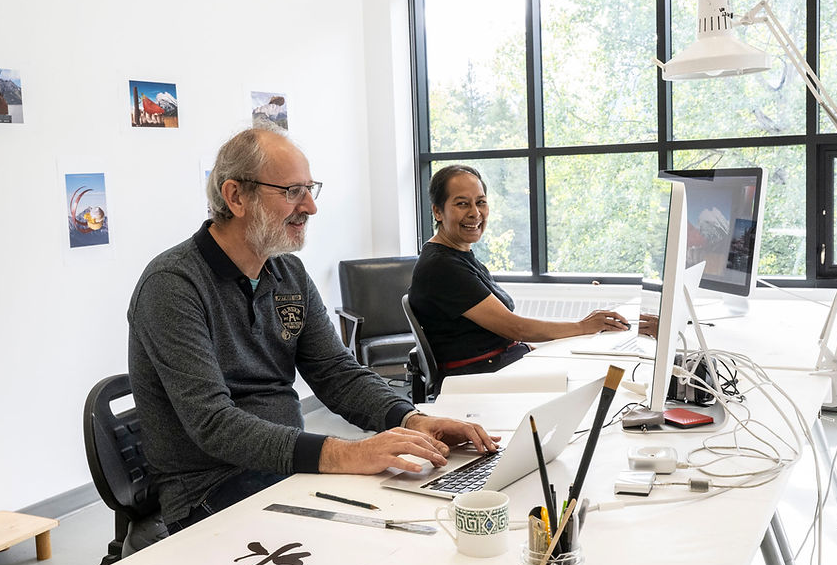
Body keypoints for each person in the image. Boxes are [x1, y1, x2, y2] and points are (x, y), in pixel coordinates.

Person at [127, 128, 497, 534]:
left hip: (281, 468)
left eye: (309, 188)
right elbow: (213, 423)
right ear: (236, 197)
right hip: (209, 488)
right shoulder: (172, 285)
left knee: (412, 516)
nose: (311, 207)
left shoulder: (287, 272)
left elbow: (336, 371)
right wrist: (346, 455)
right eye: (292, 192)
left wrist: (410, 419)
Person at [408, 164, 635, 376]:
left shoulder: (458, 254)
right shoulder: (442, 267)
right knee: (598, 373)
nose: (475, 213)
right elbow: (514, 327)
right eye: (462, 204)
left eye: (481, 202)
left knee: (593, 362)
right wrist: (583, 327)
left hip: (502, 363)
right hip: (484, 376)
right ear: (438, 212)